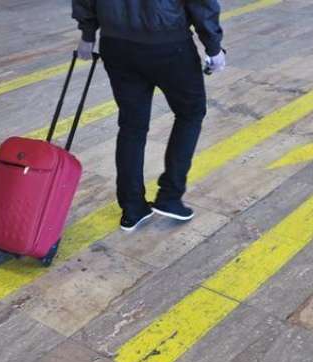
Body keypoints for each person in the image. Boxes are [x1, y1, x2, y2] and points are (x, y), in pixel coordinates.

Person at [72, 0, 225, 232]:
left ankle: (132, 207)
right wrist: (213, 47)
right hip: (168, 44)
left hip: (116, 44)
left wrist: (88, 33)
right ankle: (170, 196)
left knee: (132, 126)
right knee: (190, 113)